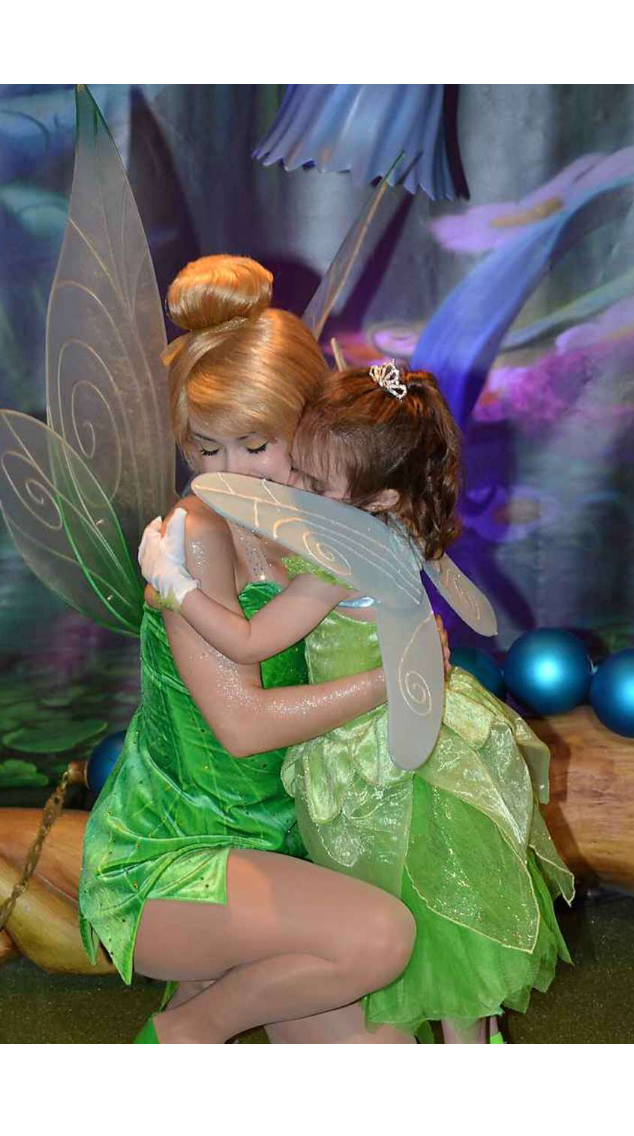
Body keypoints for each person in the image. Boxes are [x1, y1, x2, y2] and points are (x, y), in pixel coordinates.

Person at [141, 362, 575, 1044]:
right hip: (433, 744)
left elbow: (250, 641)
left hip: (378, 764)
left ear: (377, 496)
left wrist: (177, 588)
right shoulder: (401, 530)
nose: (298, 489)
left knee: (424, 912)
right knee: (454, 920)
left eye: (314, 482)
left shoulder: (340, 559)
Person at [78, 257, 419, 1045]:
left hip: (286, 849)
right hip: (176, 860)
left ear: (309, 425)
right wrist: (395, 681)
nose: (227, 474)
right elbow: (244, 728)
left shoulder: (317, 524)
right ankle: (190, 1031)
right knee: (380, 938)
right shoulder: (194, 534)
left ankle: (204, 1003)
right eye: (205, 450)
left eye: (255, 444)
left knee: (391, 1061)